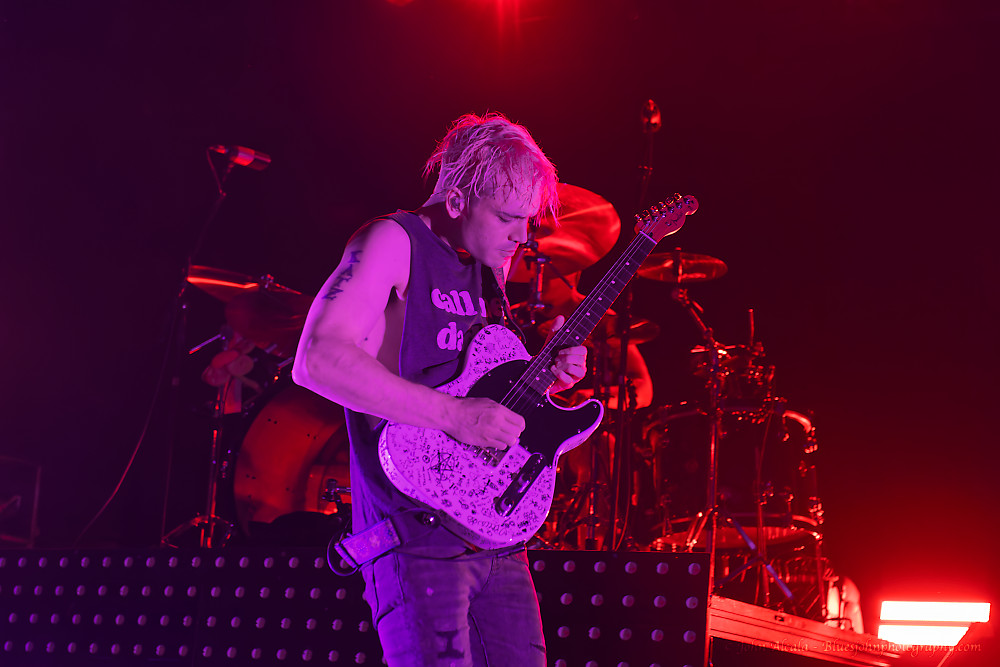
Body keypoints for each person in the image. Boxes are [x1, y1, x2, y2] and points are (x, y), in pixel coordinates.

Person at [292, 112, 588, 666]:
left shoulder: (482, 267)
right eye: (507, 218)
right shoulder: (390, 241)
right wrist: (455, 417)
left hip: (496, 537)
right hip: (414, 535)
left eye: (526, 221)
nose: (521, 236)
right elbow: (317, 360)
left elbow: (481, 389)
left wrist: (548, 370)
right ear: (456, 201)